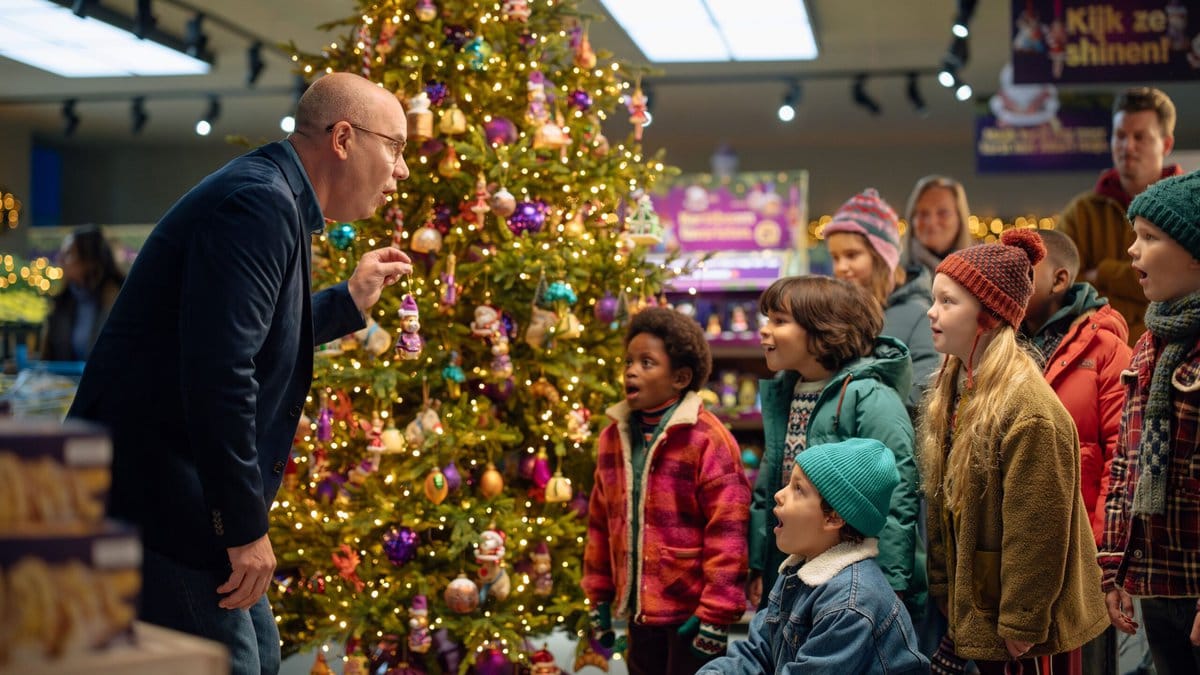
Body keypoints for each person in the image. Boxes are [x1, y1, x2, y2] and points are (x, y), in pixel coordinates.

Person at [66, 72, 413, 675]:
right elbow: (220, 373)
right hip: (157, 495)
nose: (402, 170)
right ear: (342, 139)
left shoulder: (273, 195)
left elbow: (243, 339)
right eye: (396, 147)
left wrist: (347, 302)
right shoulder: (259, 204)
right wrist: (244, 527)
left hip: (168, 488)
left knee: (261, 655)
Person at [921, 229, 1109, 673]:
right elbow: (943, 504)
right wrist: (946, 587)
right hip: (982, 601)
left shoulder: (1029, 410)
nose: (932, 312)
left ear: (987, 315)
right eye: (935, 299)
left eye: (948, 302)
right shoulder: (954, 386)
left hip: (1026, 632)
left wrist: (1021, 620)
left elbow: (1038, 527)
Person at [583, 306, 751, 675]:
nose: (630, 370)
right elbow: (600, 522)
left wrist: (717, 613)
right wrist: (599, 596)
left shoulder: (708, 439)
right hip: (640, 613)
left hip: (691, 615)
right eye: (628, 361)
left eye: (647, 363)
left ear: (680, 377)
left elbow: (729, 530)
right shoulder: (613, 438)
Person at [749, 276, 921, 621]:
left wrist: (890, 583)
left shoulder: (869, 396)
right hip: (793, 566)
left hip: (850, 578)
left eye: (779, 321)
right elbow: (770, 486)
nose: (765, 331)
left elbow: (897, 495)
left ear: (823, 331)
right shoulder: (786, 392)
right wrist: (759, 562)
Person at [698, 438, 929, 674]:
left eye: (798, 489)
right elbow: (758, 653)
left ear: (834, 518)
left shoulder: (852, 604)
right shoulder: (796, 573)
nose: (779, 495)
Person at [1099, 169, 1200, 675]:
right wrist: (1113, 569)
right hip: (1159, 579)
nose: (1133, 252)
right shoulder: (1148, 344)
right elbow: (1126, 465)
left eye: (1150, 238)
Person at [1021, 228, 1134, 675]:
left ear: (1060, 279)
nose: (1011, 280)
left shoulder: (1106, 349)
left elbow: (1121, 457)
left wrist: (1105, 556)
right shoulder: (1000, 344)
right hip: (1021, 552)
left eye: (1024, 272)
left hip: (1083, 552)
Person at [1058, 87, 1182, 344]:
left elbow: (1181, 279)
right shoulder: (1081, 213)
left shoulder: (1190, 209)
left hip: (1177, 355)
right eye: (1120, 135)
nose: (1128, 146)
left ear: (1166, 144)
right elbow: (1058, 287)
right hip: (1098, 358)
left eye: (1140, 137)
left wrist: (1102, 273)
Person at [823, 187, 938, 413]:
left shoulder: (921, 315)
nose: (841, 267)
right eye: (835, 258)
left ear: (882, 256)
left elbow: (924, 393)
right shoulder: (838, 314)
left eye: (852, 255)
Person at [41, 224, 125, 361]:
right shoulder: (61, 302)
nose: (60, 260)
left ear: (90, 260)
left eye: (69, 254)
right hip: (69, 381)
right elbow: (48, 359)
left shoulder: (120, 300)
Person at [903, 175, 975, 279]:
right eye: (923, 213)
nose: (931, 222)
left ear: (959, 218)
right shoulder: (895, 275)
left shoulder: (978, 275)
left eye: (943, 213)